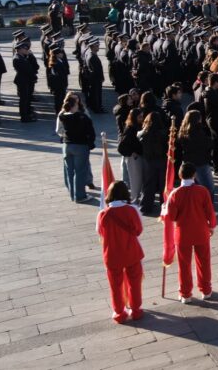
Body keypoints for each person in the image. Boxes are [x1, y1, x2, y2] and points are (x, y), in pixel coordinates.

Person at [166, 162, 216, 303]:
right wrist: (211, 226)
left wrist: (166, 208)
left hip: (183, 234)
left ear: (180, 175)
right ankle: (206, 290)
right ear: (194, 174)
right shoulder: (202, 191)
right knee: (204, 262)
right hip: (201, 231)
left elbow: (172, 217)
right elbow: (209, 212)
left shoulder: (175, 194)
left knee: (184, 265)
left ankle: (186, 293)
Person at [96, 181, 144, 323]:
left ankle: (119, 313)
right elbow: (138, 231)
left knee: (115, 286)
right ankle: (136, 310)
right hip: (131, 252)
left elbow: (100, 233)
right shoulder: (132, 210)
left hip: (112, 255)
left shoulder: (102, 214)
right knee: (134, 282)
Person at [58, 94, 96, 203]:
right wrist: (90, 143)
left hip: (67, 145)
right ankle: (80, 196)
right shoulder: (82, 117)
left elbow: (59, 129)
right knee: (80, 172)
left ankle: (72, 195)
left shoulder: (63, 116)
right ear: (75, 105)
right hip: (80, 146)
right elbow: (91, 131)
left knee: (69, 171)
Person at [176, 110, 214, 198]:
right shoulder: (198, 131)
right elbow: (207, 144)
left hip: (188, 162)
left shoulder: (183, 131)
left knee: (193, 188)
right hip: (201, 162)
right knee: (208, 188)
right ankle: (208, 208)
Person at [13, 39, 39, 122]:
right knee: (23, 100)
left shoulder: (23, 57)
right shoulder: (17, 59)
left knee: (26, 99)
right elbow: (28, 70)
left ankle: (27, 113)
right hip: (22, 81)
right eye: (25, 49)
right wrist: (33, 77)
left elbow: (34, 66)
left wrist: (30, 55)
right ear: (20, 49)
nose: (26, 50)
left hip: (25, 80)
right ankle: (24, 117)